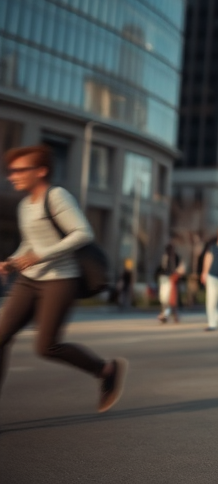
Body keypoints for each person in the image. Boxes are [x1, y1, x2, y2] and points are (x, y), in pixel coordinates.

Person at [0, 145, 128, 414]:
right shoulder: (25, 205)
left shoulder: (57, 196)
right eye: (11, 170)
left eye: (20, 170)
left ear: (41, 171)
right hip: (28, 279)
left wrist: (41, 256)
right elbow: (30, 243)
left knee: (46, 347)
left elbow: (83, 233)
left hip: (60, 279)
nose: (12, 175)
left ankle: (105, 370)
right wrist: (12, 262)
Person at [156, 243, 183, 324]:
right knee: (165, 298)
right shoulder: (166, 256)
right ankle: (166, 315)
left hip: (171, 279)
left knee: (170, 299)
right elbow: (162, 267)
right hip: (165, 278)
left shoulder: (174, 257)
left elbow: (176, 268)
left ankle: (170, 315)